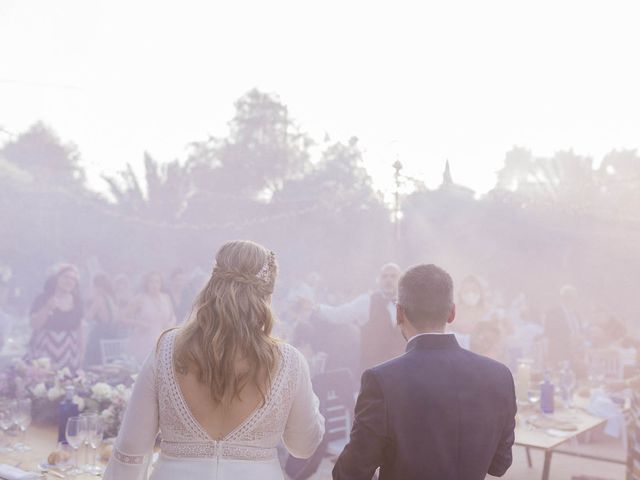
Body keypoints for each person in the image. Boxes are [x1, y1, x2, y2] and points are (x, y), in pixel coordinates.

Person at [104, 240, 325, 480]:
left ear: (212, 283)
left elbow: (131, 449)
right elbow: (303, 447)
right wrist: (310, 396)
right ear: (268, 294)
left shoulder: (168, 349)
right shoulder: (290, 362)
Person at [333, 264, 516, 480]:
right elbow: (499, 464)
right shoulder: (500, 375)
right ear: (452, 312)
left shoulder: (381, 381)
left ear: (399, 312)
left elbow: (350, 474)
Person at [317, 263, 405, 377]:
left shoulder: (408, 304)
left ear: (401, 279)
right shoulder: (366, 302)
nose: (388, 280)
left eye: (393, 276)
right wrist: (317, 308)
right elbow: (341, 314)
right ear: (379, 280)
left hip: (401, 371)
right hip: (374, 373)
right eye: (385, 276)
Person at [28, 263, 84, 371]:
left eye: (73, 279)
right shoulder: (43, 298)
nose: (69, 281)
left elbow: (79, 331)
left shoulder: (77, 302)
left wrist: (81, 356)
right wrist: (47, 308)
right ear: (56, 278)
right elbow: (34, 325)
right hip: (44, 353)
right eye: (66, 277)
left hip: (70, 355)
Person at [125, 271, 176, 364]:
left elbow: (173, 316)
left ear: (161, 283)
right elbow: (122, 317)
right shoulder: (140, 299)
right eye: (151, 281)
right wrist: (139, 323)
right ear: (146, 284)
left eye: (157, 281)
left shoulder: (166, 298)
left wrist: (171, 323)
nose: (154, 285)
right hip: (144, 341)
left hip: (163, 341)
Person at [84, 274, 123, 366]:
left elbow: (88, 317)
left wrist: (87, 305)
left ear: (98, 287)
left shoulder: (99, 299)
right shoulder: (113, 298)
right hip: (113, 334)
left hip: (100, 335)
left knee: (93, 361)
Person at [544, 285, 586, 369]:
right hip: (559, 355)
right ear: (563, 298)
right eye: (569, 297)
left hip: (576, 355)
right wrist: (568, 338)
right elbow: (549, 333)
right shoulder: (553, 313)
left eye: (574, 297)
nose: (573, 300)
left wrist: (581, 338)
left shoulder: (576, 315)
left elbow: (579, 332)